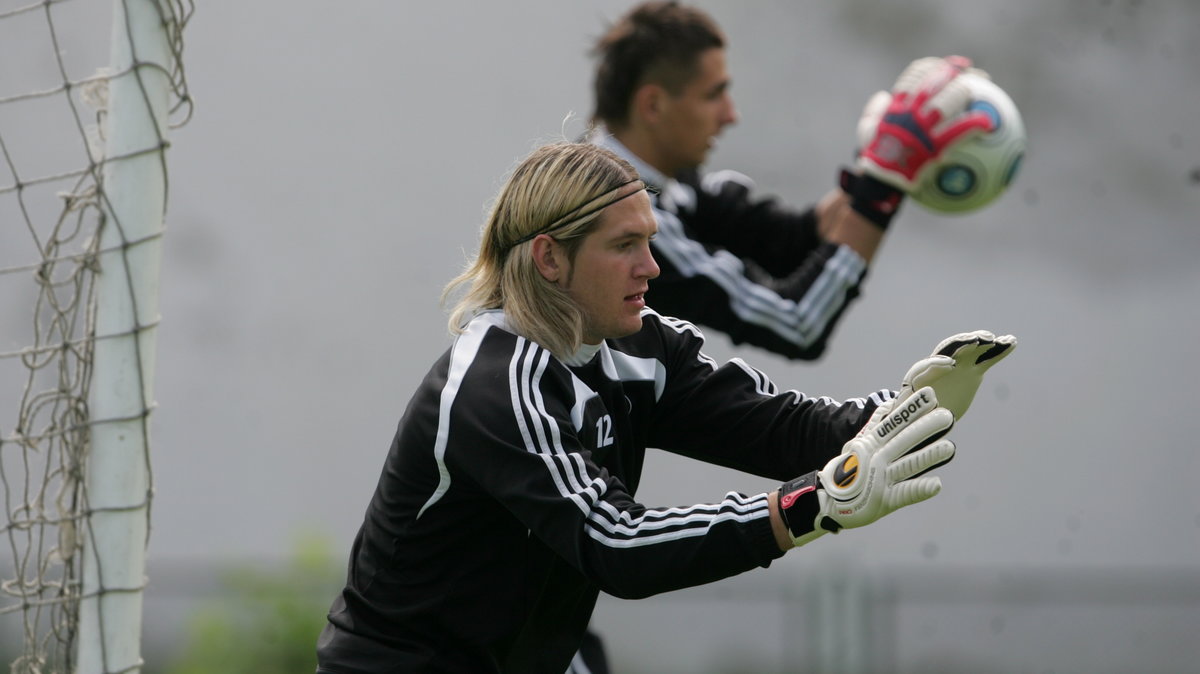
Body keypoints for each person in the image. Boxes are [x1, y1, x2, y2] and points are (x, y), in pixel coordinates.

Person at [314, 141, 1015, 673]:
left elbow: (783, 431)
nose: (651, 267)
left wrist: (914, 403)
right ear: (549, 259)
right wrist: (811, 507)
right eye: (624, 246)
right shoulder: (499, 382)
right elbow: (617, 545)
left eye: (649, 241)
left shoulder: (643, 346)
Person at [584, 1, 996, 360]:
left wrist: (875, 164)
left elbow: (787, 245)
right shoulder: (623, 215)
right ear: (653, 105)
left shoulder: (659, 183)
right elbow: (798, 325)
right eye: (714, 95)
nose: (731, 115)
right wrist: (882, 190)